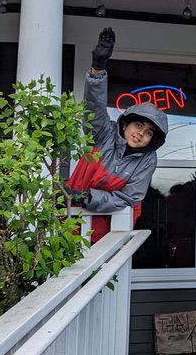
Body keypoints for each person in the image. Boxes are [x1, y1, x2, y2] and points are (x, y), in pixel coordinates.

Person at [64, 28, 168, 243]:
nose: (141, 133)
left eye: (149, 133)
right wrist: (98, 69)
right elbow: (94, 107)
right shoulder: (104, 134)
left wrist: (89, 197)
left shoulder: (147, 159)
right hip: (68, 218)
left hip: (110, 229)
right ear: (124, 125)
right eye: (138, 125)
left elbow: (129, 197)